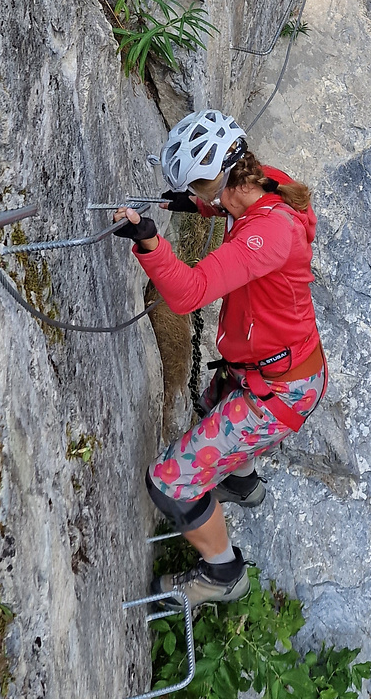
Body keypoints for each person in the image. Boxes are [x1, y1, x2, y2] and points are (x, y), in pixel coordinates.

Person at [113, 109, 327, 606]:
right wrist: (192, 206)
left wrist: (149, 242)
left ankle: (223, 573)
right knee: (213, 414)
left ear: (215, 181)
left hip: (278, 388)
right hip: (269, 366)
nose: (195, 196)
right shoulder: (263, 183)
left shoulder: (267, 235)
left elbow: (189, 292)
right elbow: (229, 205)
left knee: (171, 484)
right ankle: (243, 484)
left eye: (195, 187)